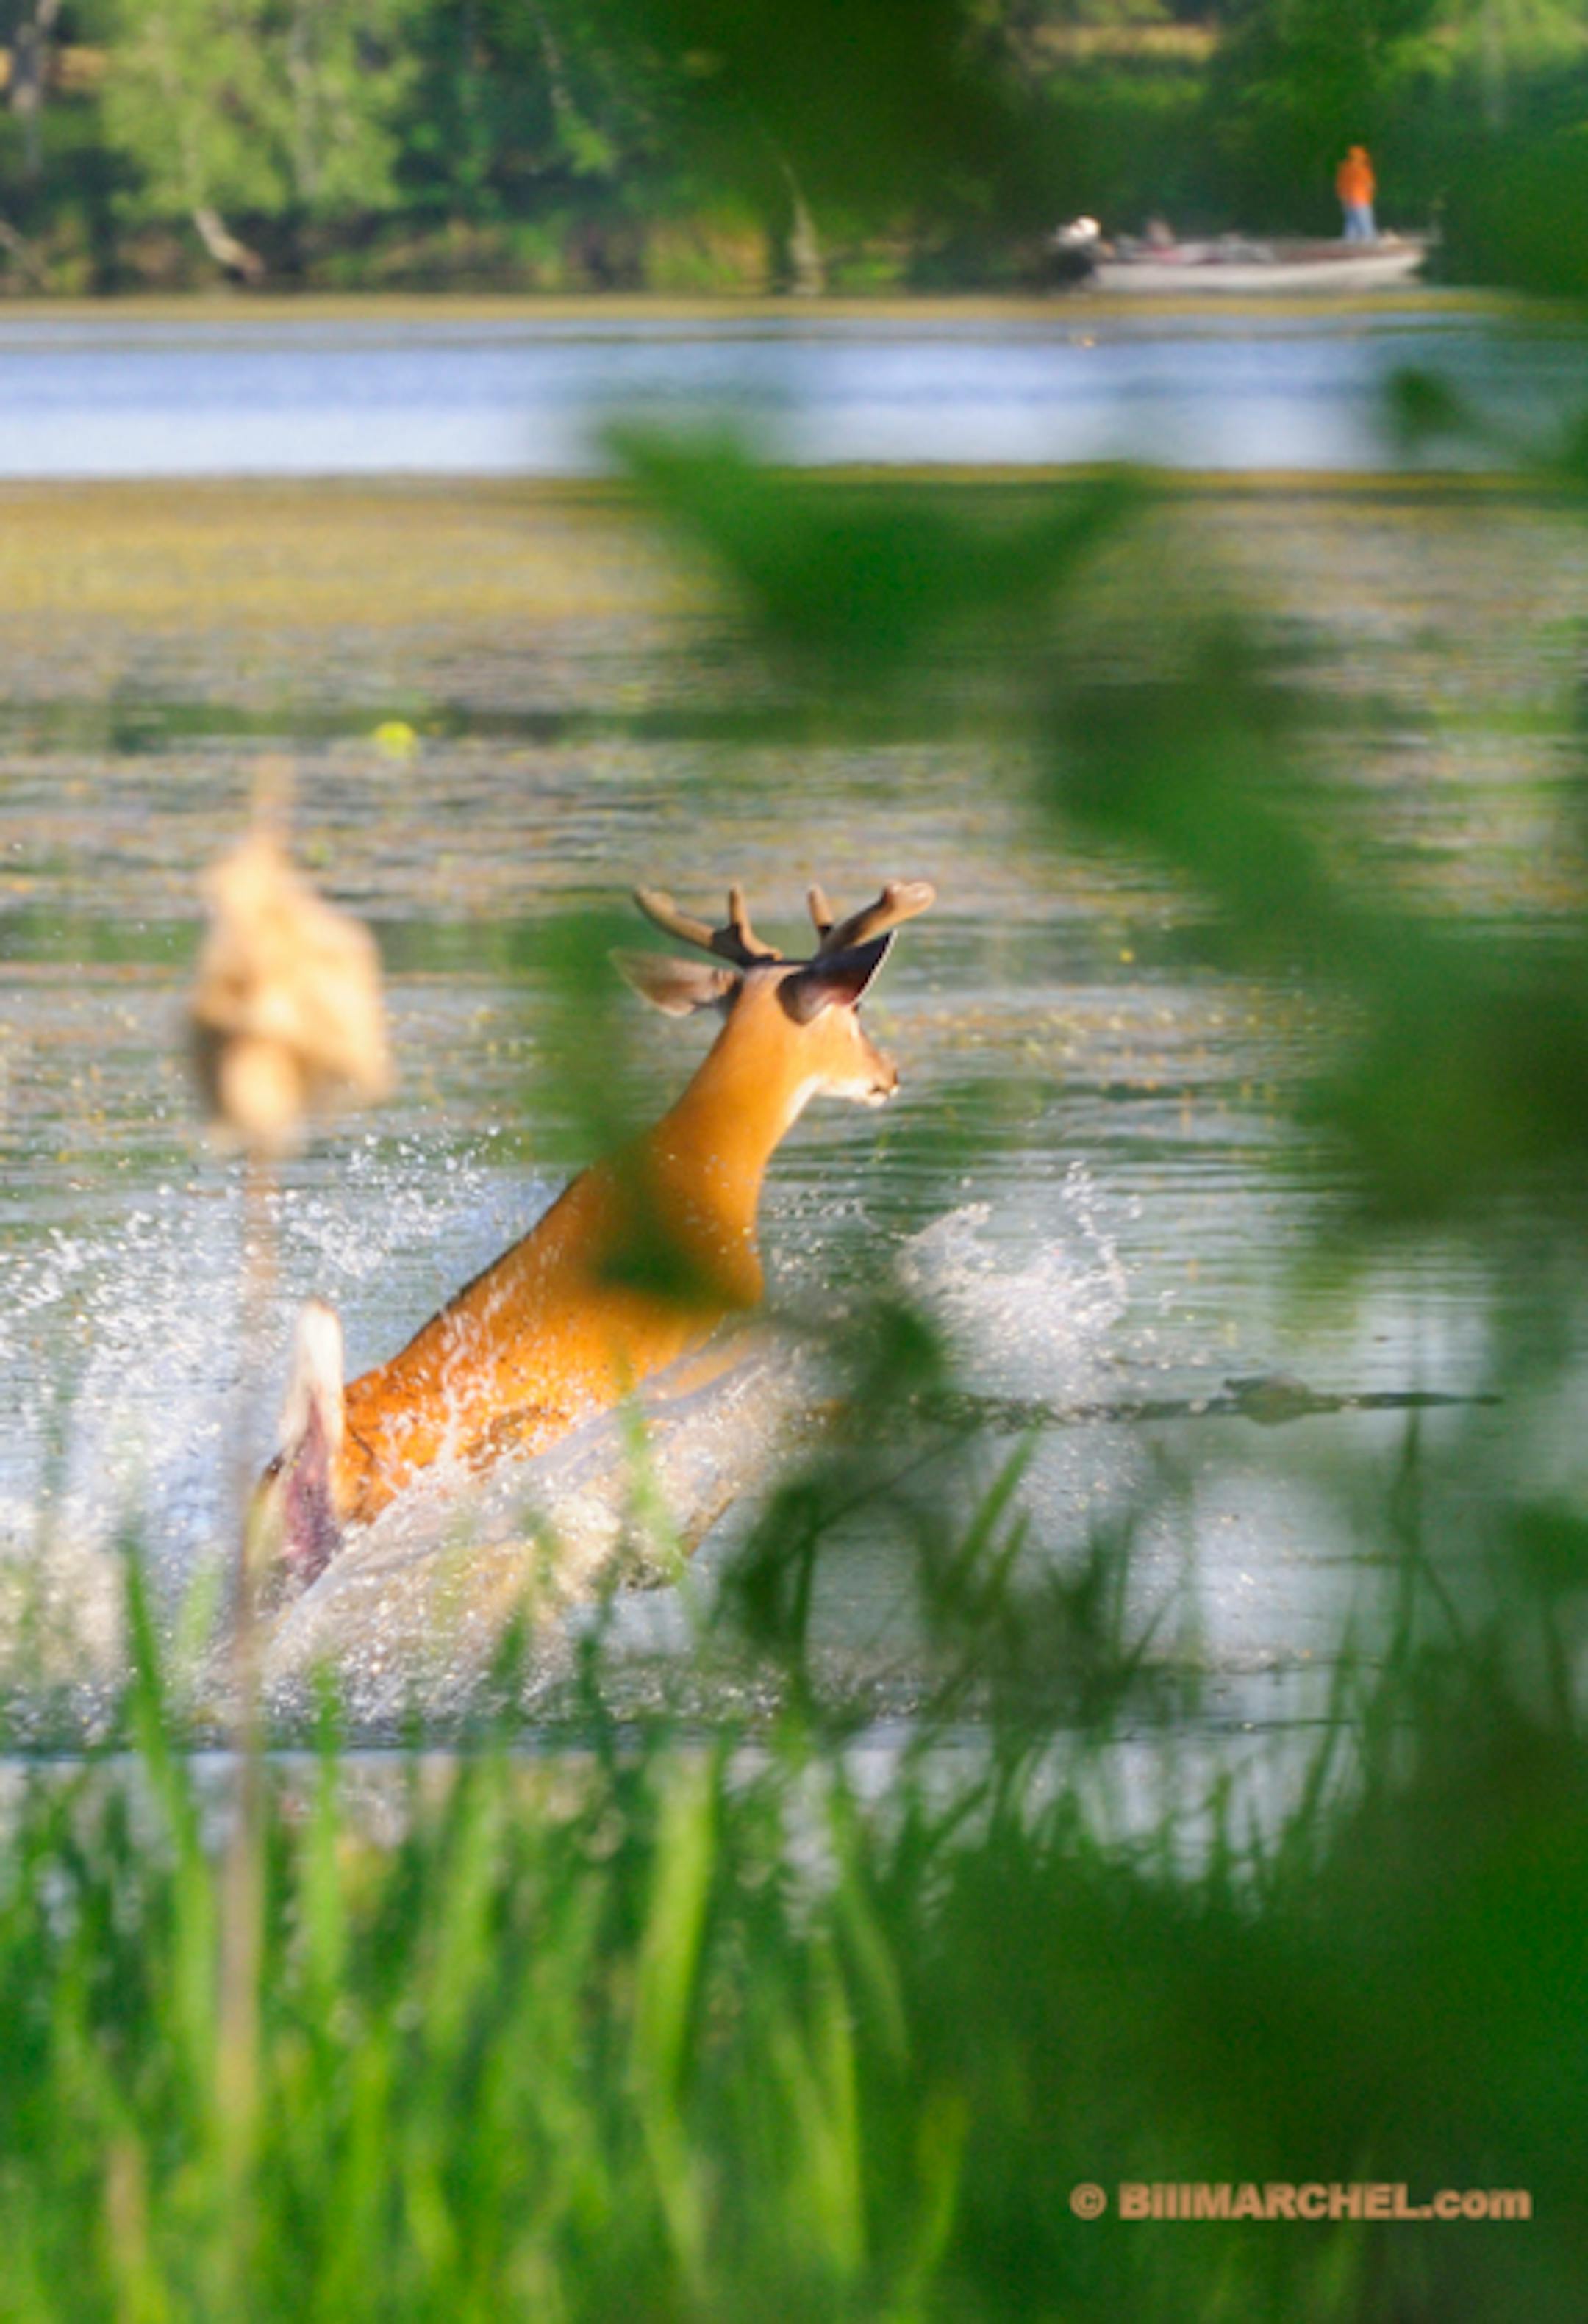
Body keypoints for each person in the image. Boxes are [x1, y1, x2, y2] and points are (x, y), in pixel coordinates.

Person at [1336, 146, 1377, 243]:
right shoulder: (1363, 169)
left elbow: (1340, 185)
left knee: (1351, 222)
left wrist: (1342, 197)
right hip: (1361, 199)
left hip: (1347, 200)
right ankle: (1368, 240)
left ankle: (1349, 240)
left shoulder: (1344, 168)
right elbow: (1370, 185)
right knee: (1365, 222)